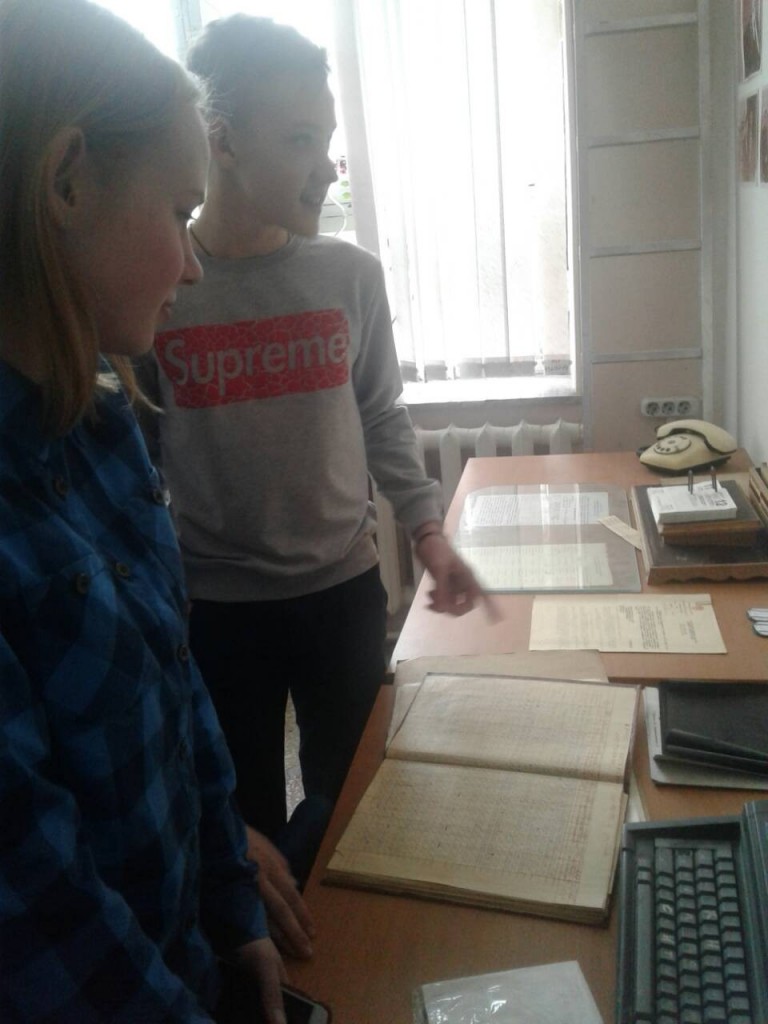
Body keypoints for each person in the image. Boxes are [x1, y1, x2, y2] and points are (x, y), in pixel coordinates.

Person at [138, 11, 484, 953]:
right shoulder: (161, 284)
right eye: (299, 139)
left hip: (341, 591)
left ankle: (365, 967)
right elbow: (137, 460)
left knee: (358, 803)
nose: (325, 166)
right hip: (219, 611)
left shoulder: (349, 275)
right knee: (245, 832)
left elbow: (382, 414)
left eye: (326, 138)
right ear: (220, 140)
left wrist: (427, 532)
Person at [0, 2, 286, 1021]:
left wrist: (234, 909)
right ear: (68, 181)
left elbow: (176, 688)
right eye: (177, 211)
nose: (194, 263)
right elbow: (43, 923)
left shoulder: (105, 426)